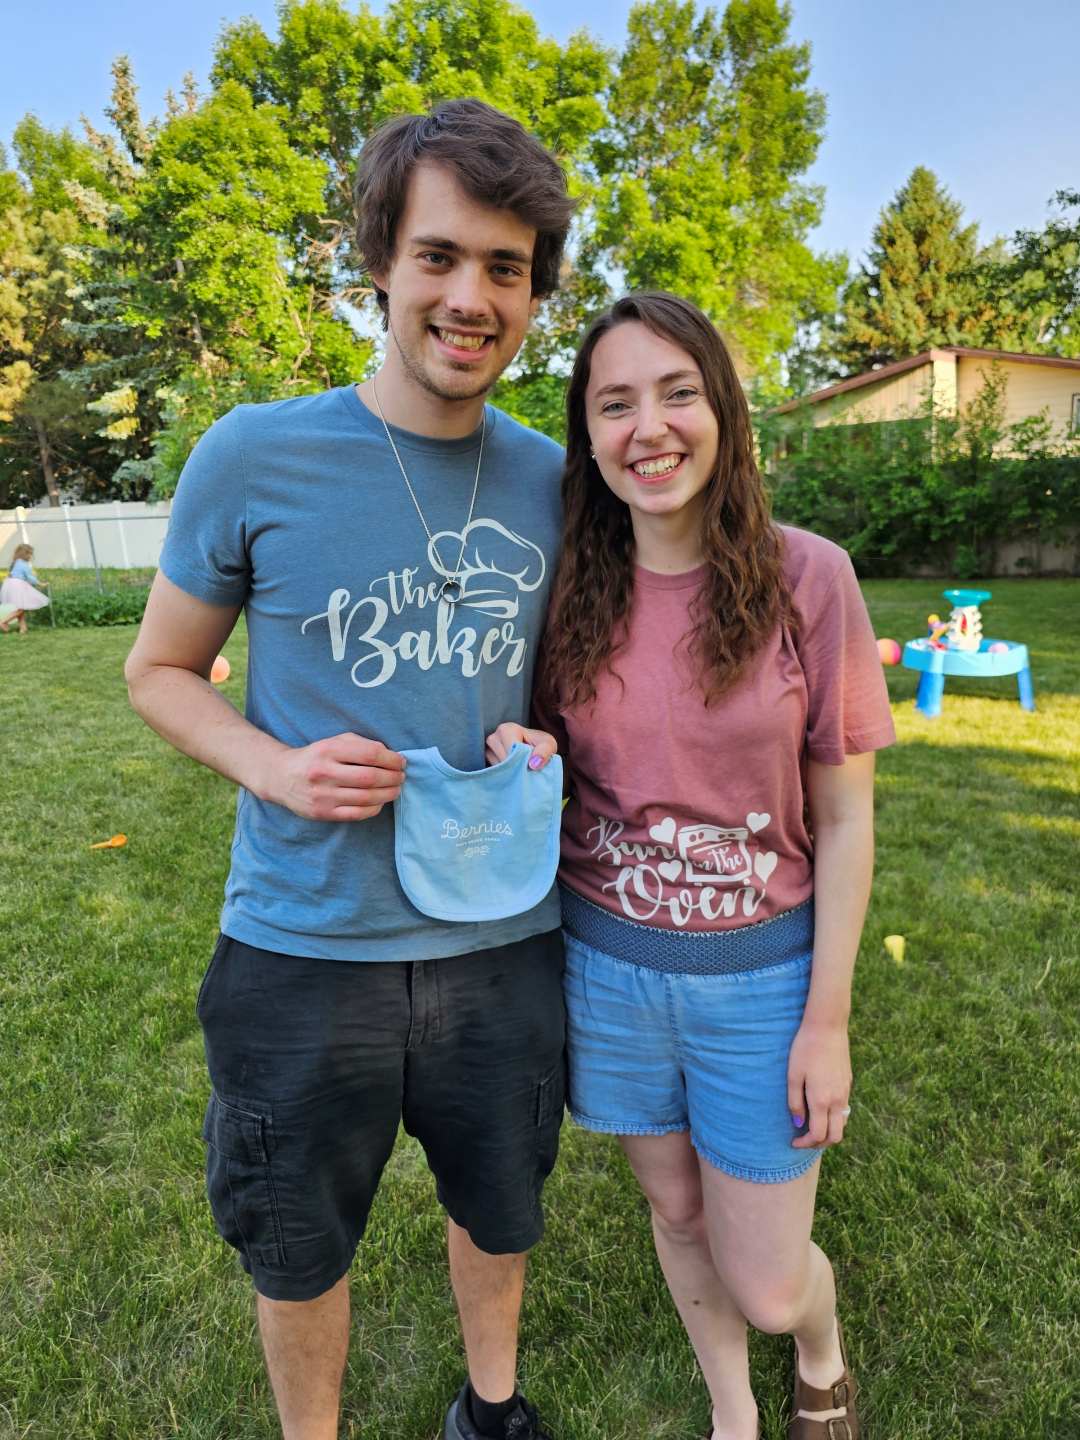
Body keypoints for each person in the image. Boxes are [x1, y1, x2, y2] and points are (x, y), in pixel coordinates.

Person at [124, 100, 573, 1440]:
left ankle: (491, 1410)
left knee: (498, 1201)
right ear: (378, 260)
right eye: (440, 256)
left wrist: (540, 734)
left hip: (504, 931)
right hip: (304, 943)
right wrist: (271, 766)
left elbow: (571, 683)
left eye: (507, 267)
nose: (471, 296)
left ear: (536, 292)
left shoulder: (560, 480)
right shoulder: (255, 453)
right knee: (294, 1236)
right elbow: (157, 673)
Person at [533, 293, 896, 1440]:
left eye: (678, 392)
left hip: (760, 985)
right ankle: (735, 1411)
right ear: (588, 438)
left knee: (773, 1281)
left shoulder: (810, 579)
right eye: (615, 403)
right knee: (677, 1211)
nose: (650, 426)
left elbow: (844, 820)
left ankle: (819, 1355)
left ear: (725, 412)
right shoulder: (567, 593)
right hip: (610, 972)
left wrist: (825, 1019)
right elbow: (551, 768)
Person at [0, 544, 50, 633]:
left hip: (10, 583)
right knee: (23, 608)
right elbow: (30, 576)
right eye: (31, 554)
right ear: (25, 554)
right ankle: (3, 622)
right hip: (18, 585)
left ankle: (23, 628)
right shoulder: (23, 564)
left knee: (21, 606)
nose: (31, 556)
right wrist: (40, 584)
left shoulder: (13, 562)